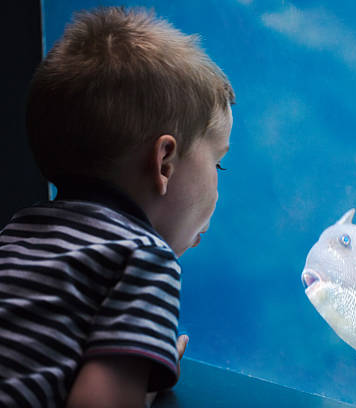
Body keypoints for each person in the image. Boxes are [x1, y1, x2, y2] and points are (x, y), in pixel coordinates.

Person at [0, 6, 234, 407]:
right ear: (164, 163)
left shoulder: (17, 233)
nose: (218, 178)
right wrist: (141, 385)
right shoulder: (143, 259)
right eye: (218, 163)